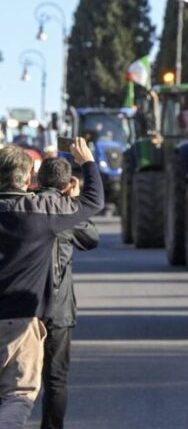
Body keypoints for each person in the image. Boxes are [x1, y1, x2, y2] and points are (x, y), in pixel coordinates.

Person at [0, 139, 101, 429]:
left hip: (29, 315)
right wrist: (89, 163)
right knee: (19, 394)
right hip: (25, 317)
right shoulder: (41, 212)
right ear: (27, 179)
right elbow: (93, 203)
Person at [35, 158, 99, 429]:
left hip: (22, 307)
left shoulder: (26, 206)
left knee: (13, 379)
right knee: (56, 380)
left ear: (37, 181)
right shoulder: (66, 210)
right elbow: (91, 238)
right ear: (67, 184)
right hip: (59, 310)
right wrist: (72, 201)